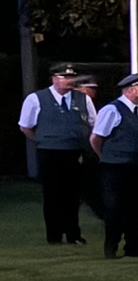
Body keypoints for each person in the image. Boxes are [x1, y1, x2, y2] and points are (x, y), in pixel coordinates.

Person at [18, 63, 95, 245]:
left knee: (73, 195)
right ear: (54, 78)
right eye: (64, 77)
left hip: (75, 152)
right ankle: (54, 235)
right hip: (49, 152)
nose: (69, 81)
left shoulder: (83, 99)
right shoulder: (36, 98)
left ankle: (73, 234)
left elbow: (94, 123)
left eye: (71, 77)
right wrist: (42, 140)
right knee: (52, 195)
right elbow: (25, 126)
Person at [91, 71, 138, 258]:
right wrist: (106, 155)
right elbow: (96, 137)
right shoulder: (111, 110)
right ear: (130, 90)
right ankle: (111, 247)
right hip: (115, 167)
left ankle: (133, 248)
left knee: (136, 208)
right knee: (114, 207)